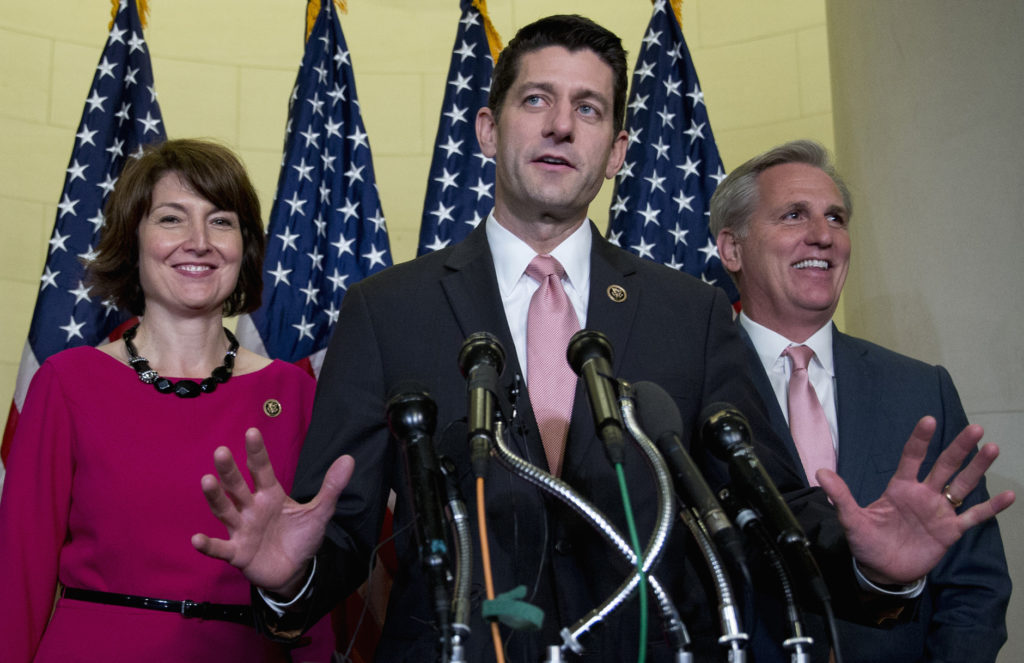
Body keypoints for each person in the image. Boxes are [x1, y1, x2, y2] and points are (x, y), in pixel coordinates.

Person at [192, 16, 1014, 663]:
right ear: (486, 128)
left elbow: (772, 512)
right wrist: (292, 574)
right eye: (536, 100)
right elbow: (340, 529)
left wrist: (872, 564)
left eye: (588, 108)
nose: (561, 125)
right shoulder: (386, 309)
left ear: (618, 151)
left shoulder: (688, 313)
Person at [0, 139, 333, 662]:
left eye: (221, 221)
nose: (198, 241)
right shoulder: (67, 383)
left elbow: (318, 596)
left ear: (245, 246)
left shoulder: (295, 394)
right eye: (172, 219)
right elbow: (16, 578)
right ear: (132, 240)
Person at [710, 139, 1011, 662]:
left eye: (837, 218)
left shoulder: (920, 389)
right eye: (794, 215)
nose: (824, 236)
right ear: (731, 249)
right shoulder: (690, 387)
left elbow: (974, 591)